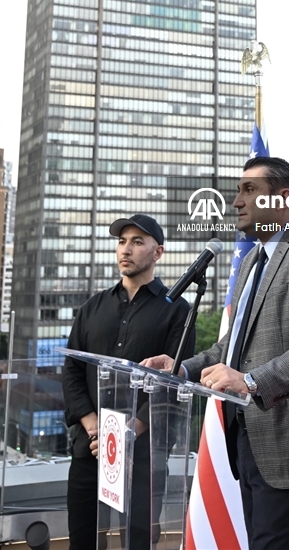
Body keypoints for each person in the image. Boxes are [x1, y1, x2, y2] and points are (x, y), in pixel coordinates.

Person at [144, 156, 289, 550]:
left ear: (283, 198)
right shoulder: (254, 261)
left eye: (249, 190)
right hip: (249, 439)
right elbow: (232, 347)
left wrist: (252, 381)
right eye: (238, 190)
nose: (236, 201)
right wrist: (182, 369)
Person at [62, 213, 194, 550]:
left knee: (137, 542)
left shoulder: (178, 310)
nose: (126, 249)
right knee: (84, 541)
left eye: (137, 241)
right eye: (122, 241)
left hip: (144, 456)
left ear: (157, 252)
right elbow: (73, 370)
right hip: (90, 449)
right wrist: (95, 427)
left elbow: (173, 383)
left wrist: (128, 431)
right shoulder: (92, 307)